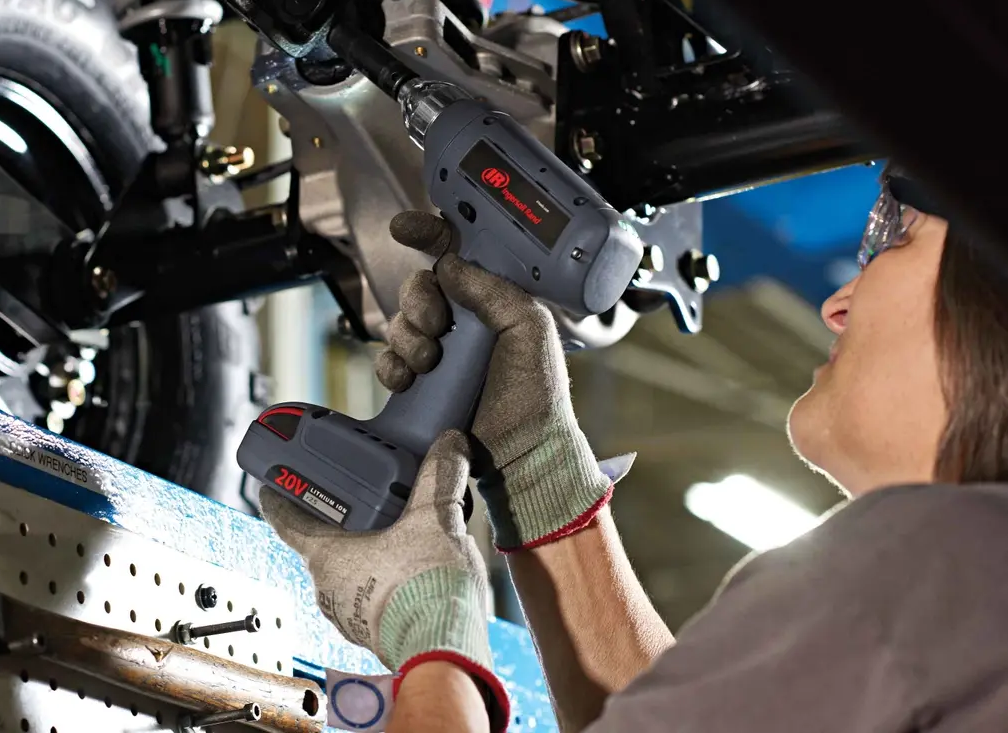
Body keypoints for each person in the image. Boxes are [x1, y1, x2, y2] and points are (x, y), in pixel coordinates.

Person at [260, 168, 1008, 732]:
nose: (836, 305)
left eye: (896, 235)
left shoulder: (925, 562)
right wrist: (537, 474)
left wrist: (433, 646)